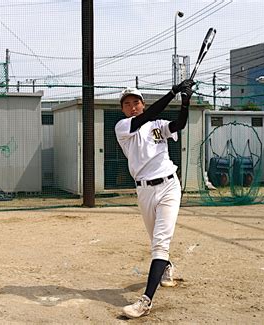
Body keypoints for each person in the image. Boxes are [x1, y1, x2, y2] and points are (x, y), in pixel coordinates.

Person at [115, 79, 195, 318]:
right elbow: (148, 115)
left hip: (169, 185)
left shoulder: (158, 126)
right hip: (144, 191)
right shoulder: (124, 127)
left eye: (136, 102)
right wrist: (172, 92)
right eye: (127, 104)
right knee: (155, 240)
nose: (132, 107)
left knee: (160, 242)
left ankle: (145, 301)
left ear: (142, 103)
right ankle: (166, 266)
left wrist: (185, 101)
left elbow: (179, 123)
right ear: (123, 110)